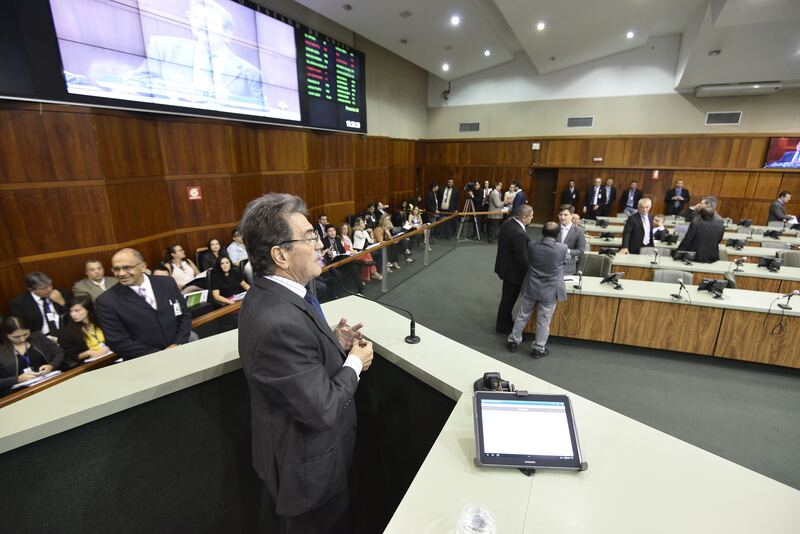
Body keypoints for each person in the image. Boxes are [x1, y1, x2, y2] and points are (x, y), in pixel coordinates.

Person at [236, 193, 374, 533]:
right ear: (280, 255)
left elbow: (299, 358)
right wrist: (355, 362)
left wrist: (333, 340)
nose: (320, 244)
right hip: (307, 475)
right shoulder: (278, 322)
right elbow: (321, 408)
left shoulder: (275, 293)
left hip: (307, 461)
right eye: (310, 237)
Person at [131, 0, 263, 103]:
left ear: (227, 34)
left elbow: (261, 112)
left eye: (210, 22)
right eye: (197, 18)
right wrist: (176, 91)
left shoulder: (251, 74)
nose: (202, 25)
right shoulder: (163, 47)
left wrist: (230, 101)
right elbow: (137, 81)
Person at [95, 248, 192, 360]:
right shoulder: (106, 301)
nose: (121, 273)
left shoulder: (167, 283)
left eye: (127, 268)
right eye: (116, 269)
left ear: (143, 266)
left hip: (181, 352)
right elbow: (118, 341)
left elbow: (184, 315)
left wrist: (177, 344)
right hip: (145, 362)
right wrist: (161, 355)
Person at [507, 222, 570, 358]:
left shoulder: (532, 245)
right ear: (558, 234)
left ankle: (513, 341)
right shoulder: (562, 248)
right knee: (543, 322)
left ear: (542, 232)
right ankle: (538, 349)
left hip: (531, 287)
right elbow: (566, 261)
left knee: (522, 316)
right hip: (549, 291)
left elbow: (529, 259)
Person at [493, 204, 533, 334]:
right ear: (524, 217)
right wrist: (532, 271)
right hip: (514, 272)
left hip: (506, 267)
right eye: (531, 216)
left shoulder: (508, 222)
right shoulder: (519, 233)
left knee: (507, 299)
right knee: (508, 300)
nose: (532, 218)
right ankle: (502, 326)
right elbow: (522, 257)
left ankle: (505, 321)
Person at [0, 316, 65, 396]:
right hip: (19, 392)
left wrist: (51, 365)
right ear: (5, 335)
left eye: (25, 334)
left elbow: (59, 352)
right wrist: (17, 379)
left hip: (48, 380)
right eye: (16, 337)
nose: (22, 339)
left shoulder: (37, 337)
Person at [56, 296, 109, 369]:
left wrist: (110, 347)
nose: (73, 314)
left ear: (88, 310)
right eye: (71, 311)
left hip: (111, 355)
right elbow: (69, 356)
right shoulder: (67, 333)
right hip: (93, 364)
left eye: (77, 310)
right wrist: (88, 353)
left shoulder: (102, 321)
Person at [321, 225, 365, 295]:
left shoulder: (337, 239)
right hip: (332, 263)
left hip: (342, 261)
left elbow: (343, 251)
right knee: (350, 262)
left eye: (333, 230)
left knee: (354, 266)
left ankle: (361, 290)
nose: (332, 233)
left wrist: (335, 253)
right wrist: (332, 253)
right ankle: (361, 262)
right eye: (330, 231)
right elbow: (325, 255)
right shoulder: (323, 241)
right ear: (326, 233)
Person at [556, 204, 586, 275]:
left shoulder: (579, 231)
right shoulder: (554, 227)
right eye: (560, 215)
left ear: (572, 215)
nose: (562, 217)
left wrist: (567, 251)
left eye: (565, 215)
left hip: (568, 267)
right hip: (553, 266)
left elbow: (581, 251)